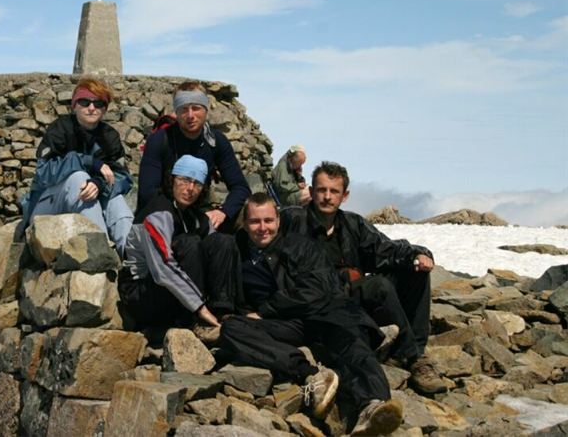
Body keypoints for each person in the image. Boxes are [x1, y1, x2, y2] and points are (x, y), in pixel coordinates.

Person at [218, 193, 402, 434]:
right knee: (232, 328)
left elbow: (316, 290)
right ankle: (311, 375)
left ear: (278, 221)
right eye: (255, 221)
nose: (262, 228)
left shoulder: (300, 246)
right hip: (284, 325)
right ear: (245, 223)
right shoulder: (236, 251)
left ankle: (373, 406)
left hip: (321, 315)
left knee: (351, 344)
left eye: (268, 220)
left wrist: (265, 310)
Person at [282, 161, 448, 395]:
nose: (327, 197)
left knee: (415, 271)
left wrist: (418, 254)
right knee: (378, 286)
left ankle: (417, 352)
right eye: (321, 190)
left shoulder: (353, 224)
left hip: (355, 301)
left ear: (345, 196)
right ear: (311, 191)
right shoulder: (292, 220)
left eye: (334, 191)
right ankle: (410, 356)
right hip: (320, 305)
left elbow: (386, 249)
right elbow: (260, 231)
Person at [118, 155, 241, 338]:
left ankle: (221, 313)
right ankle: (191, 321)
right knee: (189, 243)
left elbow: (216, 252)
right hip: (141, 293)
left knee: (223, 241)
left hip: (177, 295)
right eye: (184, 180)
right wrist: (199, 307)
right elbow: (163, 268)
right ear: (172, 179)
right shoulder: (157, 213)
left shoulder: (194, 216)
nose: (190, 188)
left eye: (197, 183)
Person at [20, 76, 133, 256]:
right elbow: (44, 172)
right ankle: (101, 253)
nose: (91, 107)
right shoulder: (60, 129)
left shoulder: (109, 136)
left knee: (116, 200)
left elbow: (123, 177)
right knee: (78, 178)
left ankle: (132, 260)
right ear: (74, 105)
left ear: (105, 108)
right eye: (84, 102)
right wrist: (89, 162)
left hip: (89, 202)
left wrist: (99, 183)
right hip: (48, 208)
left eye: (98, 103)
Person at [137, 82, 250, 231]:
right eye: (184, 109)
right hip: (163, 213)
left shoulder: (216, 141)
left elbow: (240, 187)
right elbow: (148, 192)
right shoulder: (159, 140)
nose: (190, 115)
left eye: (196, 108)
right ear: (176, 113)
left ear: (206, 110)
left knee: (250, 213)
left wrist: (223, 212)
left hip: (200, 211)